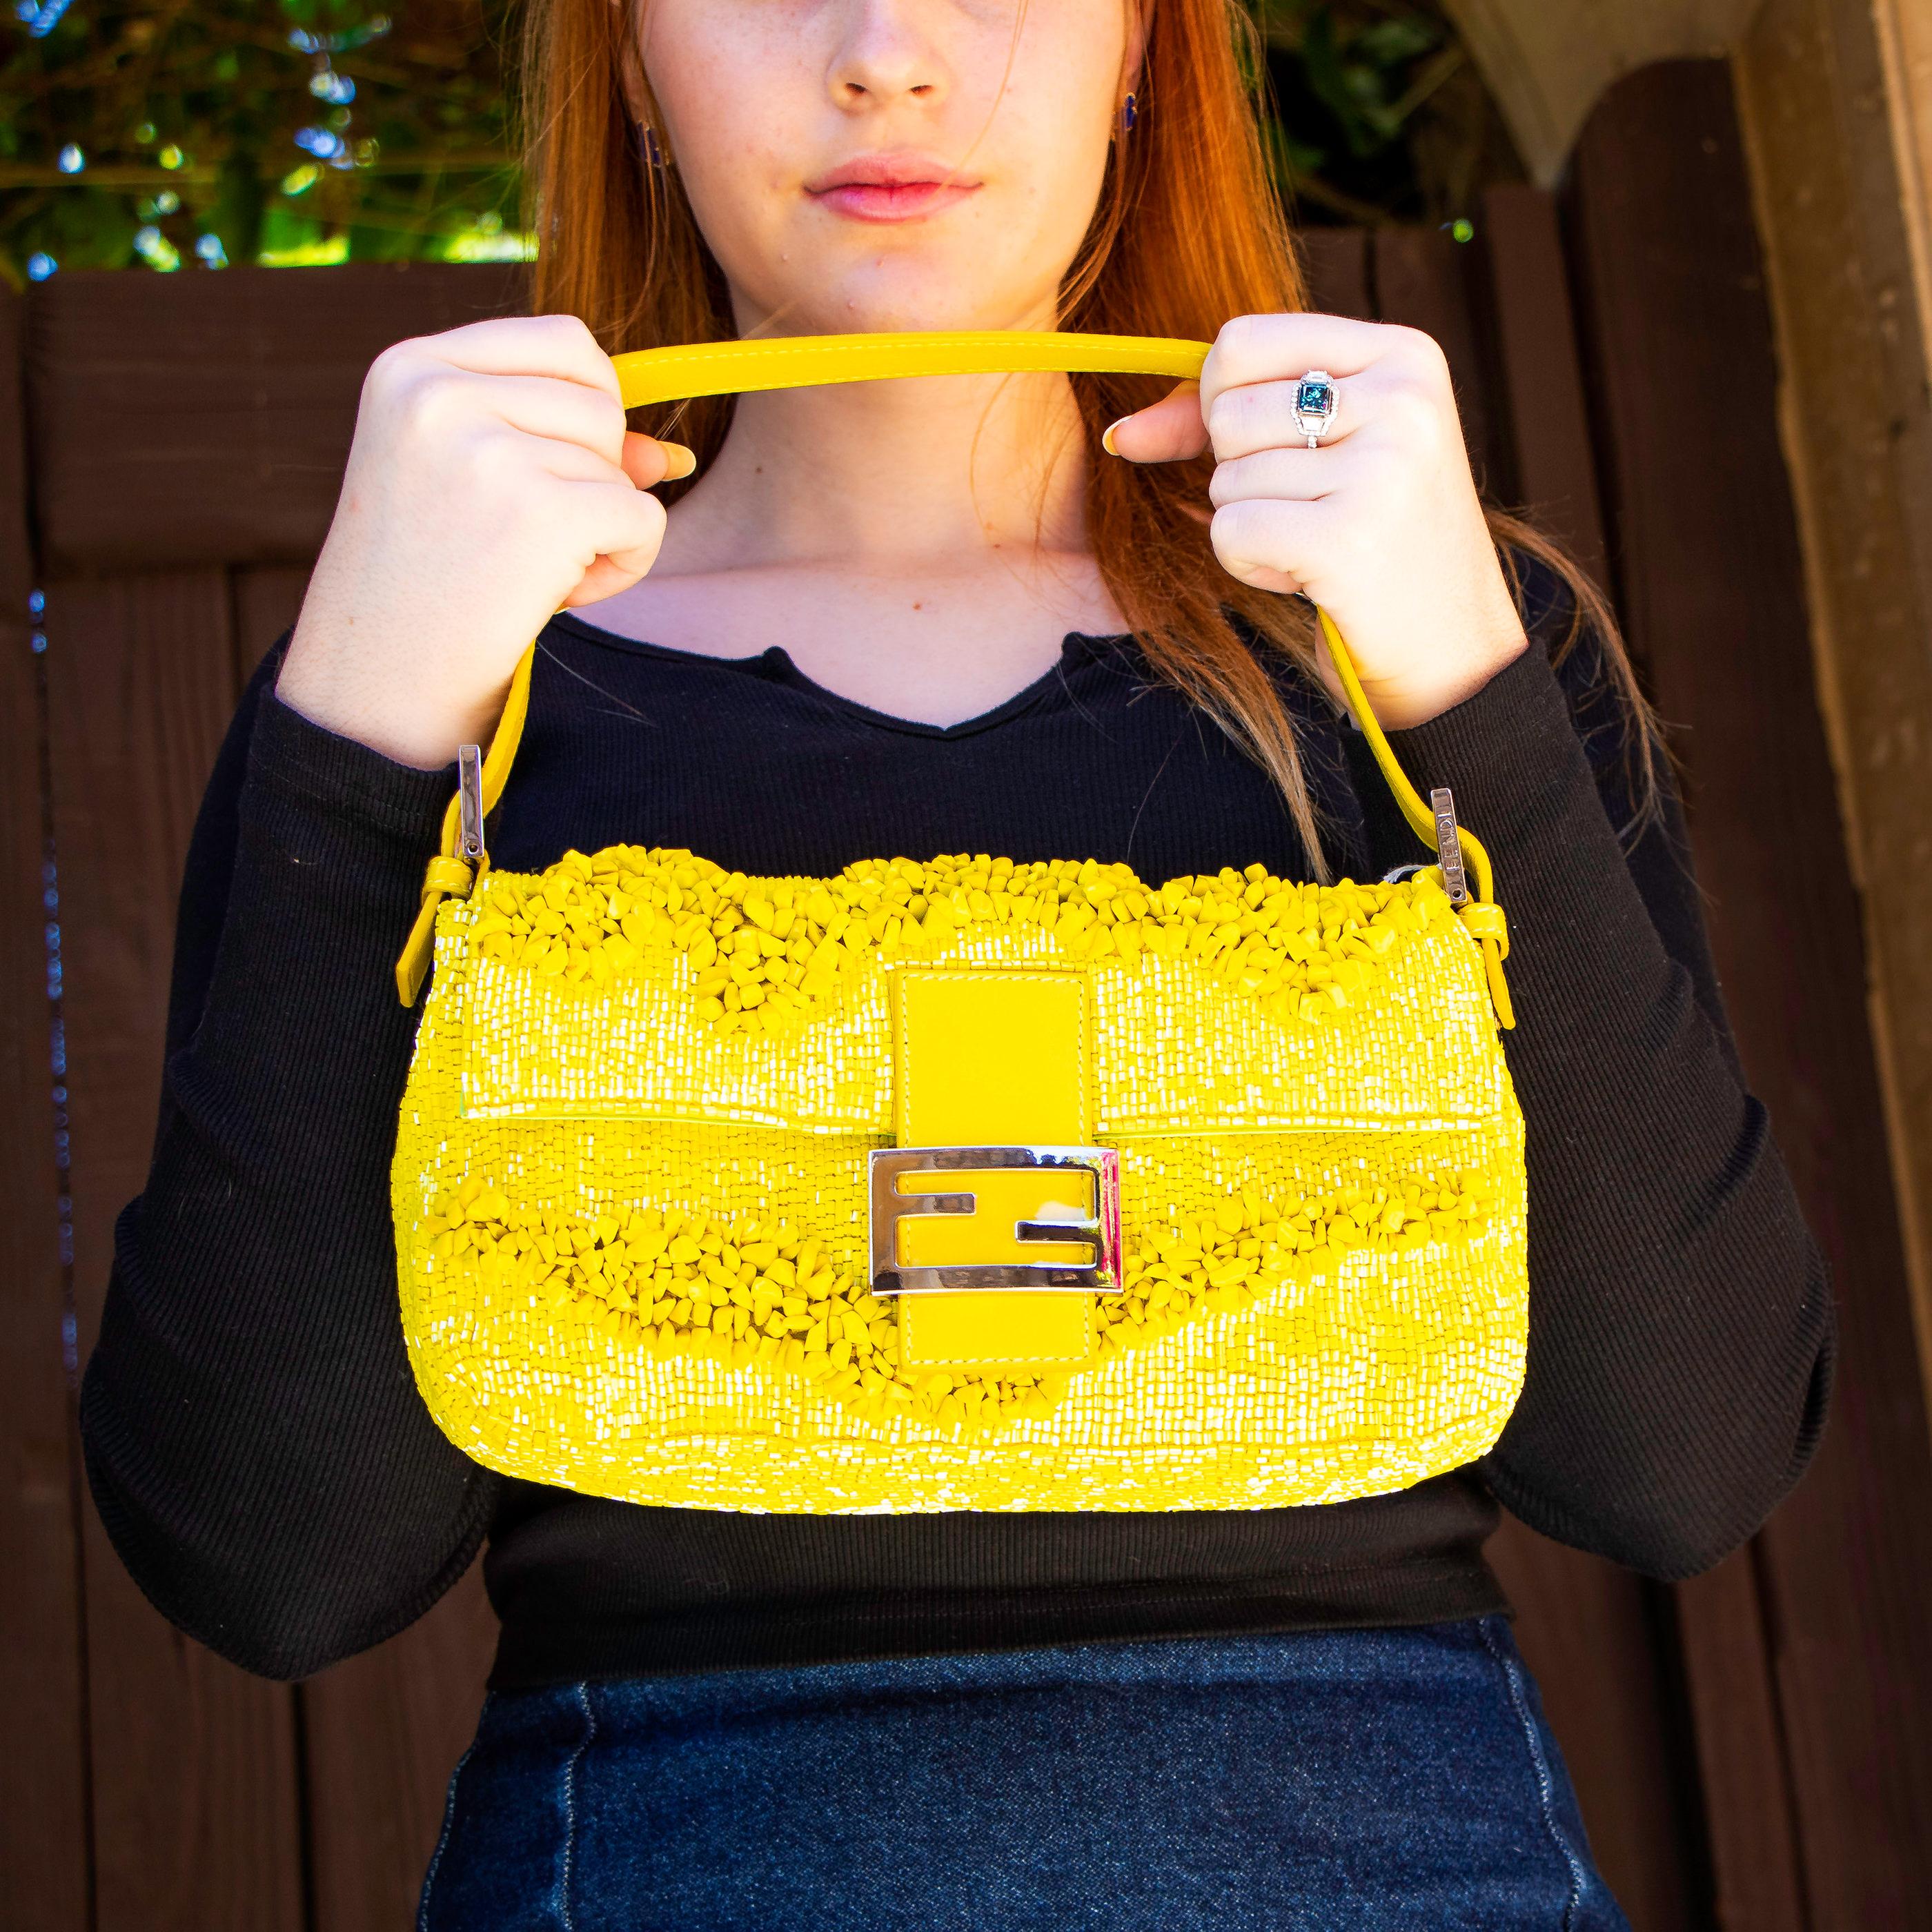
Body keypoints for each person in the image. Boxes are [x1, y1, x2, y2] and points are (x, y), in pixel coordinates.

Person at [79, 0, 1833, 1924]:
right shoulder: (440, 682)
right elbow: (274, 1563)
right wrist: (361, 736)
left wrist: (1467, 692)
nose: (884, 51)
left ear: (1151, 45)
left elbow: (1688, 1463)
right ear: (629, 60)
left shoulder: (1422, 647)